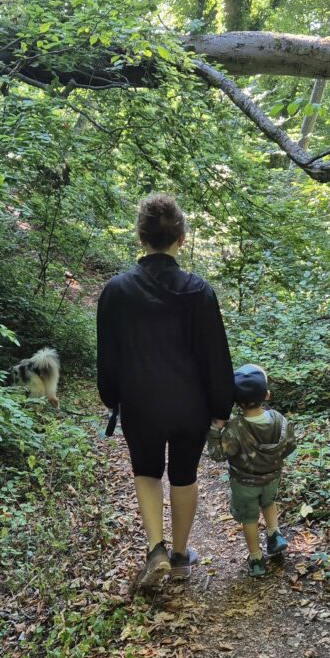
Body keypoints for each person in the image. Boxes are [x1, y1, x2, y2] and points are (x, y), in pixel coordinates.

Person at [97, 194, 234, 589]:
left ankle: (155, 547)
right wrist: (220, 406)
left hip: (140, 402)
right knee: (184, 475)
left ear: (141, 239)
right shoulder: (199, 291)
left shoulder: (116, 291)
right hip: (190, 405)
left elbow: (108, 355)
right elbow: (215, 355)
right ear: (182, 239)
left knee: (146, 471)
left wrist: (112, 397)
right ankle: (180, 556)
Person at [208, 364, 296, 577]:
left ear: (236, 402)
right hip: (272, 478)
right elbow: (290, 445)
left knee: (249, 519)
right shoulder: (278, 419)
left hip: (244, 484)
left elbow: (218, 454)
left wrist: (214, 430)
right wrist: (273, 460)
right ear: (267, 395)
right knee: (268, 502)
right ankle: (274, 534)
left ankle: (256, 558)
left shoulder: (235, 428)